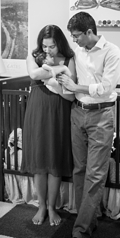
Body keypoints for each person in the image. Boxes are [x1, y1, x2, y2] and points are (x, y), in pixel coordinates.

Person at [58, 12, 120, 238]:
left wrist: (77, 88)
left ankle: (80, 230)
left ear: (89, 32)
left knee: (95, 174)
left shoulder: (112, 52)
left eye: (77, 36)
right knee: (80, 170)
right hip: (78, 113)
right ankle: (88, 220)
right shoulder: (77, 51)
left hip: (101, 115)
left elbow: (106, 87)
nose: (74, 40)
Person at [21, 24, 77, 227]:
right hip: (37, 111)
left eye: (51, 46)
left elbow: (70, 95)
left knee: (54, 160)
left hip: (58, 113)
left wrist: (58, 73)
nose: (47, 50)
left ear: (59, 43)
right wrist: (60, 71)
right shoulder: (33, 56)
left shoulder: (70, 59)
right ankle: (41, 206)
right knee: (39, 159)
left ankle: (52, 207)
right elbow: (35, 75)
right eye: (44, 46)